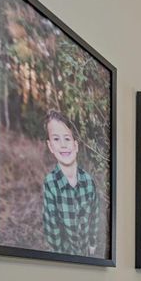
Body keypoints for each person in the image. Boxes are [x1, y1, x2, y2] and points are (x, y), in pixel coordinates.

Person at [41, 110, 99, 256]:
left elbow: (94, 215)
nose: (63, 145)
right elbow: (52, 226)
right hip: (66, 255)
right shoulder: (50, 183)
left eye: (67, 138)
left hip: (86, 254)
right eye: (56, 139)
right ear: (50, 146)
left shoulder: (88, 181)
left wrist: (92, 243)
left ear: (76, 145)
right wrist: (60, 256)